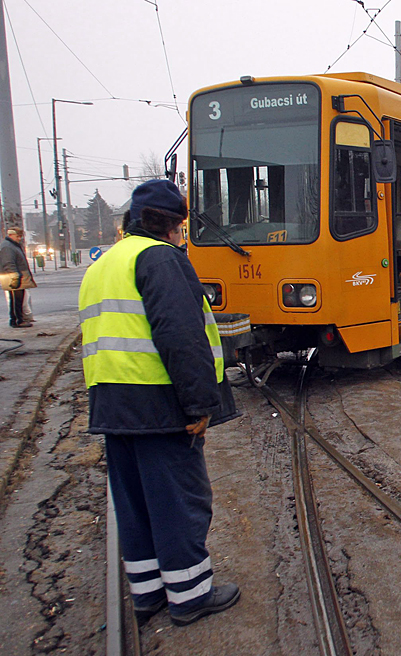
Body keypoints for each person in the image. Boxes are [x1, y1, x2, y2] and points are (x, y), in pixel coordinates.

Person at [79, 179, 241, 626]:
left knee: (134, 504)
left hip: (111, 405)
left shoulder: (103, 265)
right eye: (181, 227)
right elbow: (181, 338)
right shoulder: (161, 259)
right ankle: (190, 596)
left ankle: (147, 594)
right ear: (172, 226)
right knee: (178, 501)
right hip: (159, 403)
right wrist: (200, 405)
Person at [1, 226, 36, 328]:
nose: (19, 238)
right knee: (16, 300)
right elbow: (8, 263)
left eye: (20, 236)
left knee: (18, 300)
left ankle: (18, 319)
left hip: (17, 277)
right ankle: (17, 320)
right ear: (10, 235)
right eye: (18, 236)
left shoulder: (12, 245)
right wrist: (15, 276)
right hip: (13, 278)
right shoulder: (8, 247)